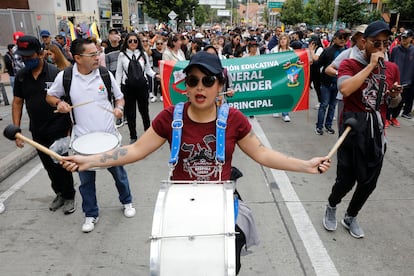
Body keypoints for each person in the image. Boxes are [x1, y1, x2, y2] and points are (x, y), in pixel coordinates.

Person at [60, 51, 331, 273]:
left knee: (225, 263)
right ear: (185, 85)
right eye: (193, 80)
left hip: (221, 204)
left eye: (208, 80)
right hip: (182, 206)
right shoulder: (169, 117)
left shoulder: (234, 119)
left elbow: (263, 154)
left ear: (220, 86)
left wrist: (305, 165)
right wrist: (90, 161)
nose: (200, 87)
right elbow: (134, 151)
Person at [46, 38, 136, 233]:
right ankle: (90, 214)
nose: (98, 57)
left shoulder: (104, 74)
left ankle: (127, 201)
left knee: (119, 174)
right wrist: (58, 104)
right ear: (77, 57)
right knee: (86, 181)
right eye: (93, 54)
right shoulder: (66, 77)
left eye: (98, 53)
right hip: (82, 141)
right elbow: (50, 96)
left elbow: (119, 97)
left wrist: (119, 108)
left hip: (109, 137)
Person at [322, 21, 402, 239]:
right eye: (377, 43)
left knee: (369, 181)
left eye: (386, 43)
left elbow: (392, 104)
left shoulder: (392, 69)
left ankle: (351, 215)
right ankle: (332, 205)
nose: (381, 48)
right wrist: (370, 67)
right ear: (364, 42)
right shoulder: (350, 64)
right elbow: (346, 89)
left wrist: (395, 95)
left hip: (376, 132)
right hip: (352, 128)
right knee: (346, 179)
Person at [12, 35, 76, 214]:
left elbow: (68, 100)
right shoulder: (21, 77)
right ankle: (59, 193)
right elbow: (17, 102)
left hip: (58, 127)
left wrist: (71, 128)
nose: (26, 60)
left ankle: (70, 195)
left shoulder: (55, 73)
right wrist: (16, 129)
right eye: (23, 57)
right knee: (48, 164)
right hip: (37, 130)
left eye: (29, 57)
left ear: (40, 54)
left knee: (62, 163)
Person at [116, 32, 159, 144]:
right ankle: (133, 135)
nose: (133, 43)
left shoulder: (143, 54)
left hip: (142, 86)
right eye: (130, 41)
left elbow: (148, 70)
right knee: (130, 113)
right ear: (126, 42)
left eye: (135, 41)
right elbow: (119, 73)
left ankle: (148, 132)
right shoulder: (122, 55)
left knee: (144, 110)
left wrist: (155, 75)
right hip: (128, 87)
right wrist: (118, 90)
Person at [325, 24, 368, 129]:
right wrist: (341, 75)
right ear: (356, 38)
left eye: (367, 37)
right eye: (362, 36)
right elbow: (328, 69)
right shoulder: (348, 53)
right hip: (346, 98)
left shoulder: (375, 56)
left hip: (366, 99)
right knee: (344, 128)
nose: (364, 40)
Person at [315, 29, 350, 135]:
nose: (343, 40)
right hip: (326, 83)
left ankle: (328, 125)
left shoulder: (348, 52)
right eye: (340, 38)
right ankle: (319, 126)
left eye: (345, 38)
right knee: (324, 105)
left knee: (333, 106)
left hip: (339, 84)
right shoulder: (328, 51)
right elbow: (318, 64)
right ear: (334, 38)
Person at [389, 29, 414, 122]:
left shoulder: (413, 50)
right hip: (396, 80)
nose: (404, 40)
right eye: (403, 38)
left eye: (406, 38)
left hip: (408, 81)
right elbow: (391, 63)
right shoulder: (396, 49)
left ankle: (395, 117)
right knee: (392, 99)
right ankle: (388, 117)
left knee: (401, 101)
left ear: (411, 38)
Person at [270, 33, 294, 122]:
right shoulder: (274, 50)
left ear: (288, 40)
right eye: (281, 39)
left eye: (285, 39)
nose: (283, 40)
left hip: (287, 75)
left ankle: (285, 113)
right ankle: (276, 108)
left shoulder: (291, 50)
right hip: (277, 74)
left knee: (286, 93)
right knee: (277, 92)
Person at [150, 38, 165, 103]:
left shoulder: (165, 51)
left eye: (161, 43)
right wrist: (149, 44)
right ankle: (155, 96)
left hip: (163, 68)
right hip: (156, 68)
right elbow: (147, 52)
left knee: (162, 83)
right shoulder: (153, 51)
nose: (159, 45)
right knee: (155, 83)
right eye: (158, 44)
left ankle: (162, 96)